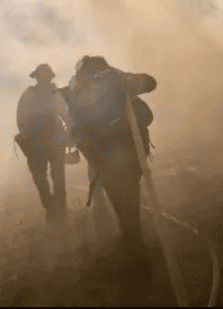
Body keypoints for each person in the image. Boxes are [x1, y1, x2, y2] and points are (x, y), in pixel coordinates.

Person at [59, 56, 156, 265]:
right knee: (130, 197)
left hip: (101, 158)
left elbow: (74, 129)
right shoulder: (114, 79)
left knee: (121, 200)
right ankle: (135, 247)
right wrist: (127, 80)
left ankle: (131, 239)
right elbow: (150, 82)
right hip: (126, 153)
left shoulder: (74, 91)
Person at [15, 64, 73, 224]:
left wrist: (70, 133)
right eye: (41, 75)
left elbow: (66, 115)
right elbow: (20, 118)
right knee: (40, 178)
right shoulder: (28, 95)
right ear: (37, 77)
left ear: (50, 77)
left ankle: (59, 212)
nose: (43, 78)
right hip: (36, 142)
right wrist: (26, 136)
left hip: (53, 140)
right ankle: (51, 207)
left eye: (45, 75)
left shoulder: (56, 94)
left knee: (58, 177)